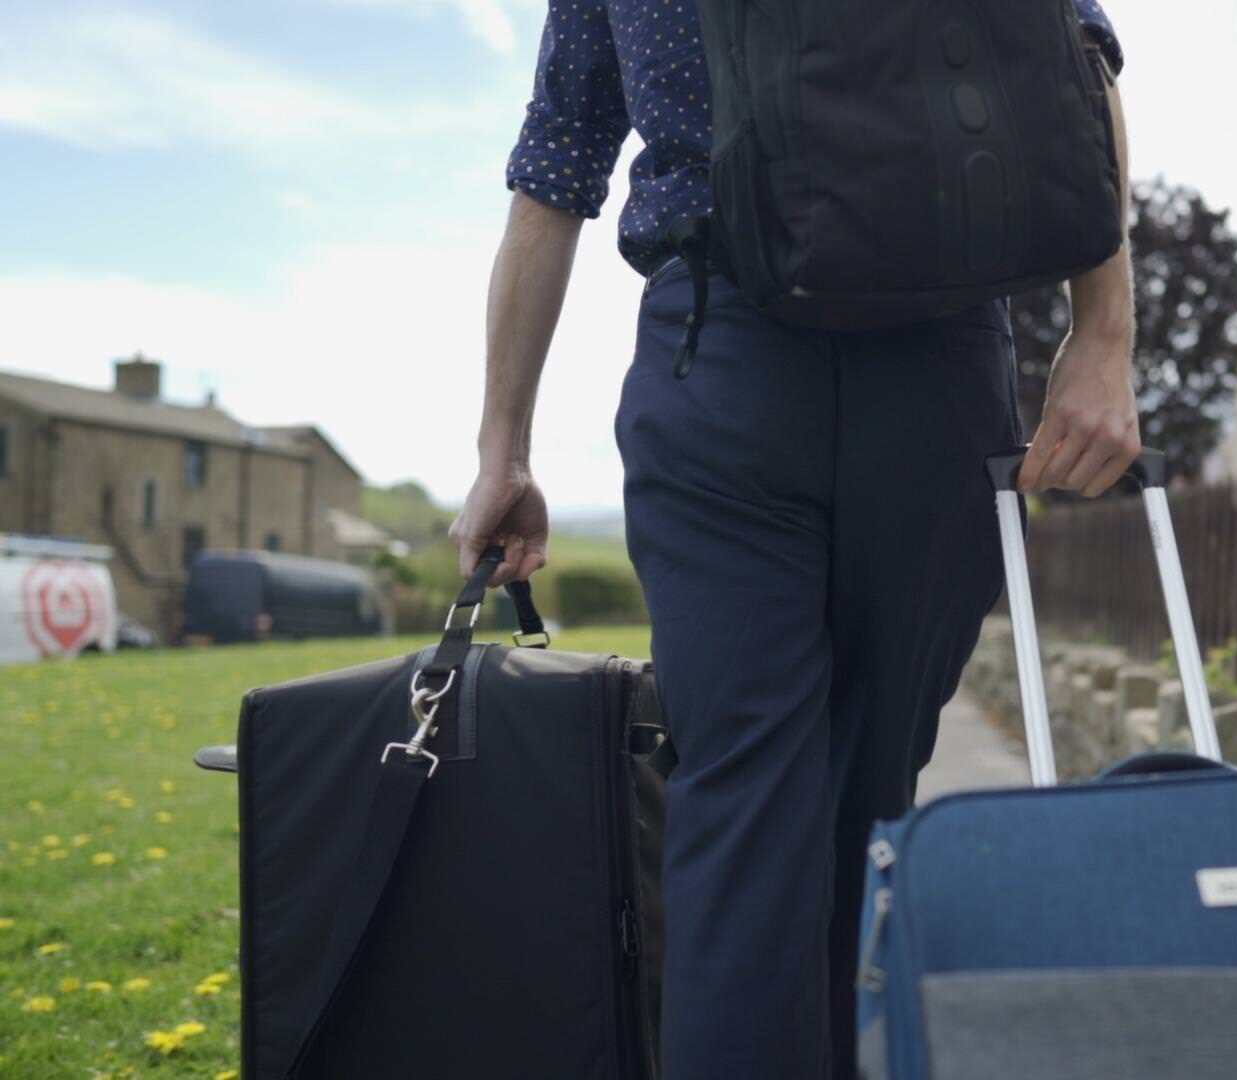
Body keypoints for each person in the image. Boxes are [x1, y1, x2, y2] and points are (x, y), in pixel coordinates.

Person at [449, 2, 1137, 1076]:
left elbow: (555, 173)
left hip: (718, 358)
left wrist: (505, 449)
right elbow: (1079, 65)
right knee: (867, 808)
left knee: (740, 812)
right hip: (942, 370)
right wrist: (1102, 341)